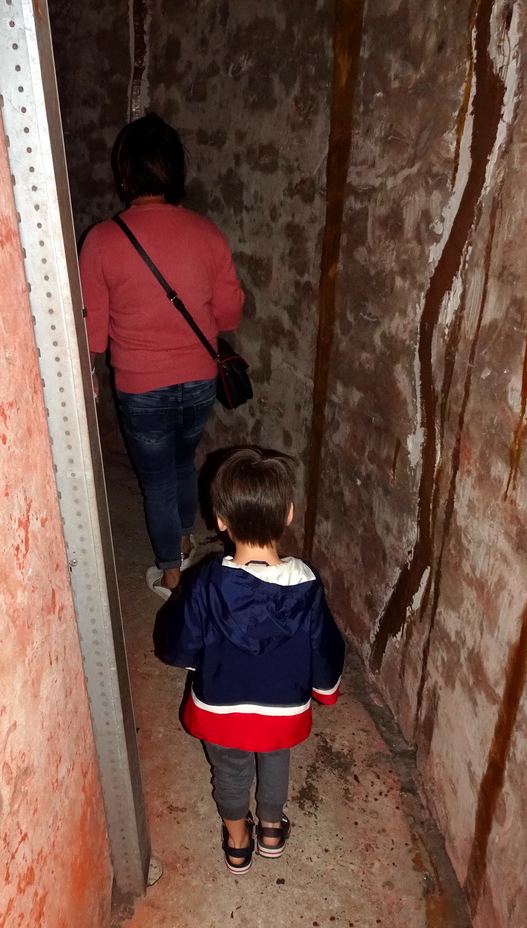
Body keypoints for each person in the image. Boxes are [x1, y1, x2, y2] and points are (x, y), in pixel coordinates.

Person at [79, 113, 245, 599]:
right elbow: (230, 314)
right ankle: (187, 541)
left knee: (155, 478)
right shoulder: (207, 233)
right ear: (176, 171)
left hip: (140, 384)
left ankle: (172, 576)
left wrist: (89, 371)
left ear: (124, 173)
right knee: (182, 461)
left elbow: (93, 331)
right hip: (198, 380)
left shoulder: (103, 241)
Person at [157, 446, 345, 874]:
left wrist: (192, 660)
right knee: (275, 758)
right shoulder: (308, 585)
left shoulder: (206, 580)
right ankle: (272, 830)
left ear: (220, 521)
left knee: (230, 770)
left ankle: (238, 842)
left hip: (222, 706)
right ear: (288, 514)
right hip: (283, 709)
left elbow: (182, 638)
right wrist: (325, 689)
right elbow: (325, 646)